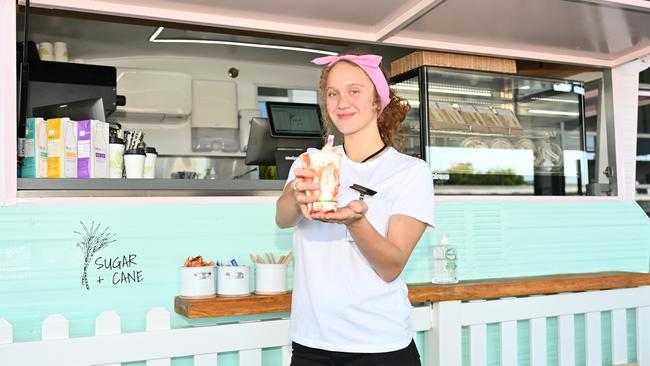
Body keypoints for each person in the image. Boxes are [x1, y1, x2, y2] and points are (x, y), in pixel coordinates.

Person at [275, 52, 435, 366]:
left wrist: (355, 223)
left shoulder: (409, 172)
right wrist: (296, 192)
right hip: (311, 342)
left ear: (378, 100)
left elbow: (391, 266)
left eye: (354, 91)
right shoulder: (311, 161)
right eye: (332, 93)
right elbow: (282, 220)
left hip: (379, 345)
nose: (341, 102)